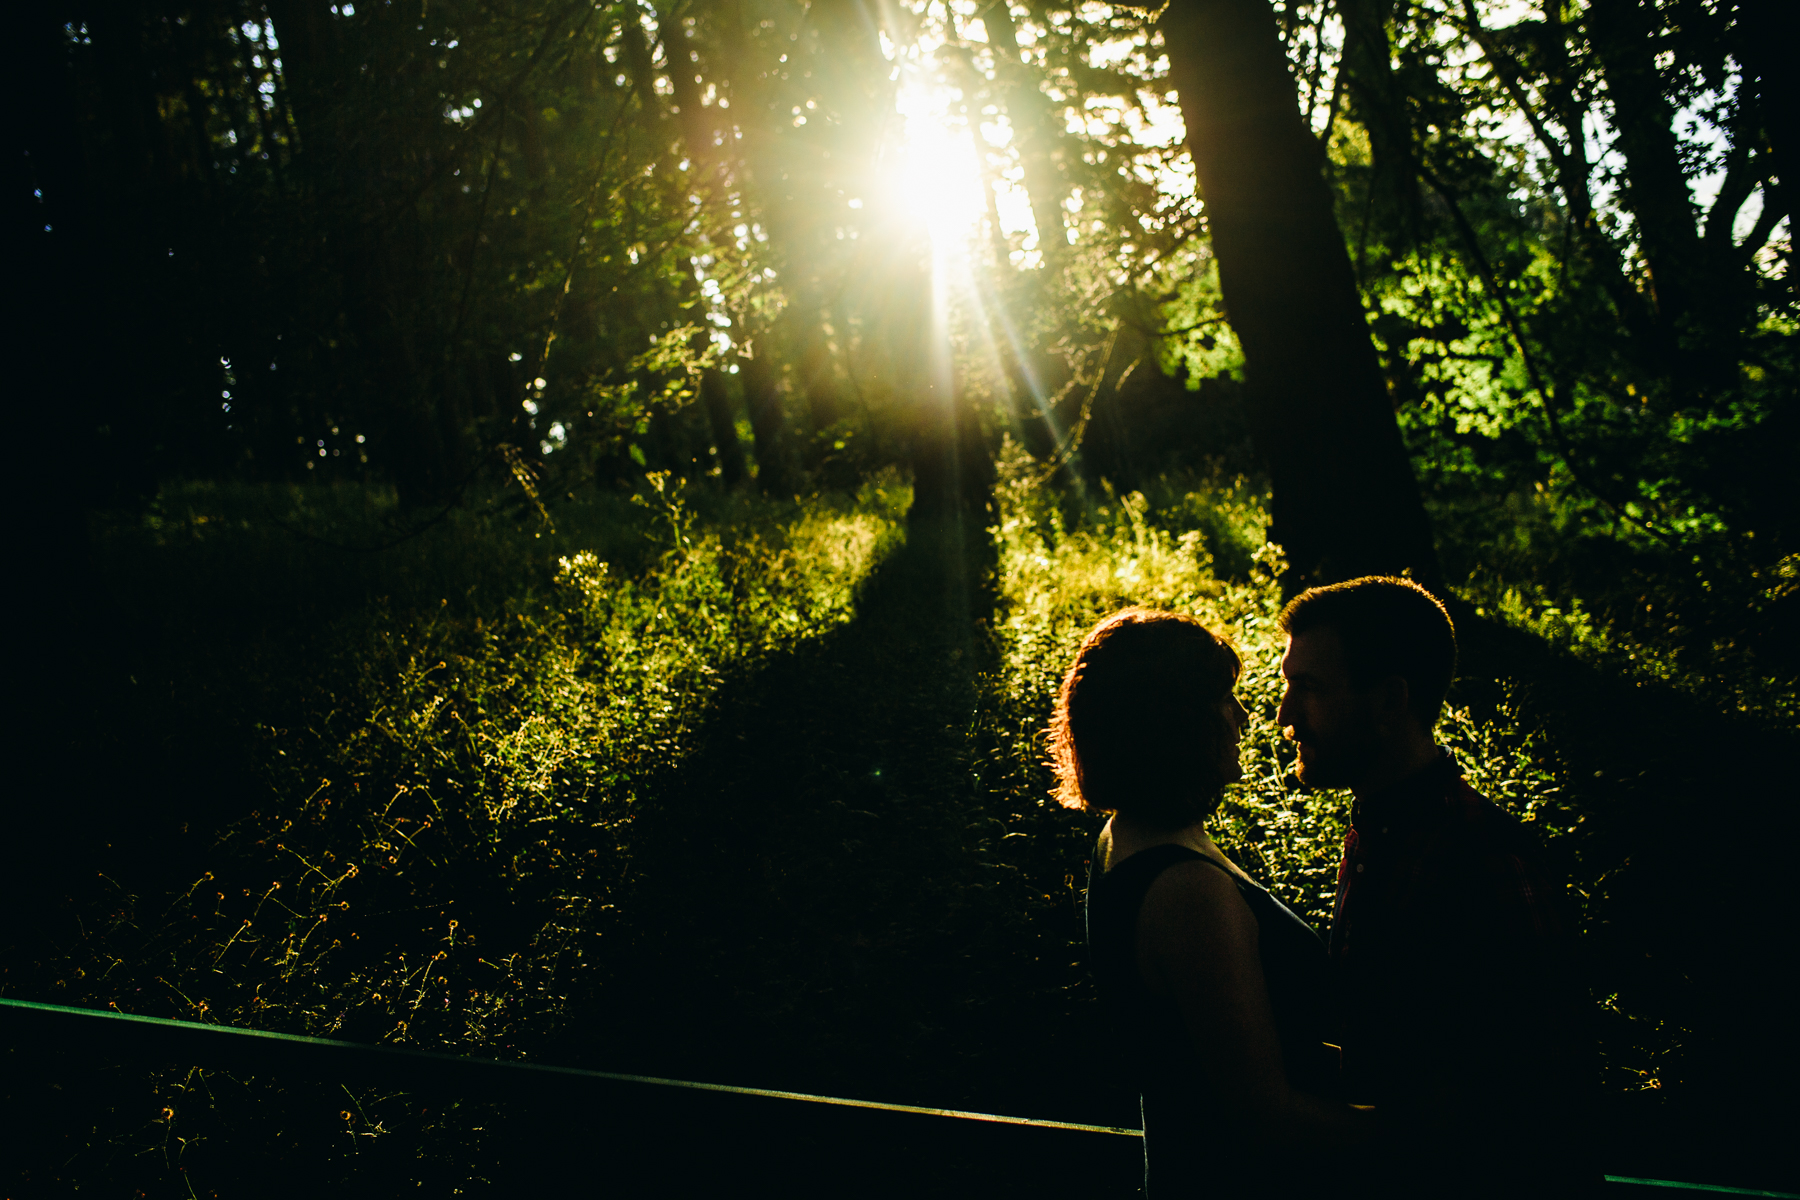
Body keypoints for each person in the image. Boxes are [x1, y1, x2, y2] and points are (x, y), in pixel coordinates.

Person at [1275, 576, 1597, 1197]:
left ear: (1390, 701)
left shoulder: (1484, 861)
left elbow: (1538, 1104)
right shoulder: (1383, 833)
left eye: (1309, 688)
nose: (1286, 716)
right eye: (1288, 685)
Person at [1062, 608, 1376, 1198]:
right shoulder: (1187, 890)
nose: (1244, 715)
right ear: (1175, 722)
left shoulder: (1128, 834)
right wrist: (1429, 1138)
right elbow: (1267, 1113)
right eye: (1223, 700)